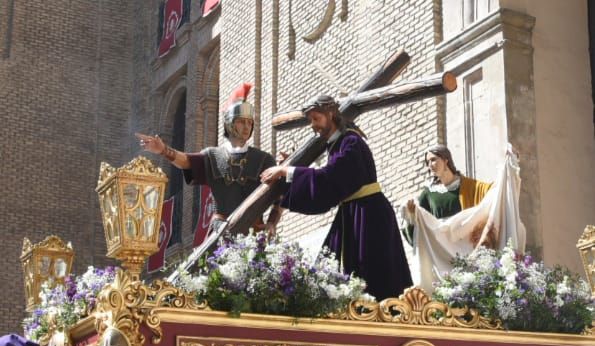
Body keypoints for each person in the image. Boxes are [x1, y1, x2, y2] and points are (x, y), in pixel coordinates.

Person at [260, 95, 413, 301]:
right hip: (353, 214)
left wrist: (286, 171)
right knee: (329, 269)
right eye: (311, 120)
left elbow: (330, 178)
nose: (313, 126)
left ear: (331, 113)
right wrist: (289, 173)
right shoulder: (337, 144)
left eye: (316, 118)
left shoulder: (351, 141)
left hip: (369, 217)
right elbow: (327, 187)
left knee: (372, 277)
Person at [137, 83, 282, 236]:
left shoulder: (263, 159)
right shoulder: (212, 156)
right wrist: (163, 150)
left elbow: (280, 197)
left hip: (254, 233)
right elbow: (187, 161)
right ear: (230, 124)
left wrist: (272, 222)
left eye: (249, 122)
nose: (246, 127)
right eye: (241, 121)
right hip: (220, 231)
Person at [402, 144, 492, 245]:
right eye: (428, 162)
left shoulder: (469, 186)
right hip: (443, 247)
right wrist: (412, 214)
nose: (430, 165)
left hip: (466, 243)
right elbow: (421, 226)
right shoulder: (429, 193)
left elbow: (492, 193)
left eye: (433, 160)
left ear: (446, 160)